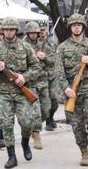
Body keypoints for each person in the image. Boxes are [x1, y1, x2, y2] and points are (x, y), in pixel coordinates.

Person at [0, 17, 40, 168]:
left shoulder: (26, 47)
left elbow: (36, 67)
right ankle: (12, 156)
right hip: (3, 92)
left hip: (22, 92)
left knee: (27, 122)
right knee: (7, 125)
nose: (9, 32)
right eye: (6, 29)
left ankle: (25, 142)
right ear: (3, 31)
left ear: (16, 31)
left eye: (11, 29)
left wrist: (24, 76)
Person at [56, 13, 88, 166]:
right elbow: (59, 72)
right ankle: (84, 151)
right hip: (72, 92)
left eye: (79, 24)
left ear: (83, 26)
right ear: (70, 27)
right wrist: (66, 89)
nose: (76, 27)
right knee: (77, 125)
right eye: (73, 25)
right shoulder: (62, 47)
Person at [24, 21, 52, 150]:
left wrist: (44, 57)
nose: (34, 35)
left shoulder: (44, 45)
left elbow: (53, 62)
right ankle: (36, 134)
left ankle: (32, 127)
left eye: (35, 32)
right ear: (27, 33)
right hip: (31, 83)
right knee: (35, 111)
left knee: (46, 110)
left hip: (43, 82)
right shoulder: (22, 46)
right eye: (31, 33)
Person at [38, 21, 59, 131]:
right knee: (46, 101)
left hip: (53, 75)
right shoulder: (35, 43)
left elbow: (54, 60)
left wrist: (45, 57)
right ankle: (47, 121)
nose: (42, 32)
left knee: (55, 99)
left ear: (47, 29)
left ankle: (51, 117)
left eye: (43, 29)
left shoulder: (52, 42)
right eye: (40, 30)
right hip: (42, 76)